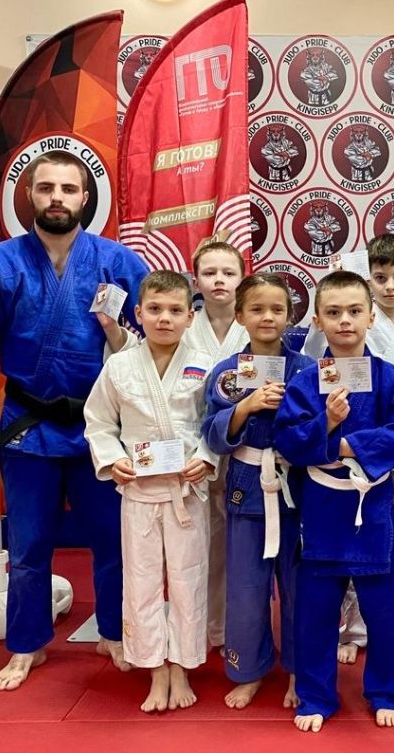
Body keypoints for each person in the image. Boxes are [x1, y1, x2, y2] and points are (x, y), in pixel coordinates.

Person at [0, 150, 148, 690]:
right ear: (29, 195)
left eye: (68, 189)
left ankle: (115, 631)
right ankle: (27, 644)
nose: (57, 198)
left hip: (102, 427)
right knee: (29, 546)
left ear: (85, 198)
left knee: (113, 538)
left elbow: (158, 337)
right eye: (46, 187)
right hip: (28, 425)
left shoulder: (118, 262)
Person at [274, 271, 394, 733]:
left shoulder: (388, 377)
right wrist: (327, 421)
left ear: (371, 317)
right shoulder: (305, 381)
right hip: (322, 509)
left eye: (355, 311)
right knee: (314, 613)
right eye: (333, 313)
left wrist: (343, 445)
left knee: (384, 613)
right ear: (317, 320)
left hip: (371, 508)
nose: (345, 321)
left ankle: (386, 692)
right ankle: (316, 695)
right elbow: (288, 439)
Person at [303, 234, 394, 665]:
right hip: (346, 447)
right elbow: (316, 364)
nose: (389, 286)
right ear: (368, 281)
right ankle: (352, 629)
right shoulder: (351, 319)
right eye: (380, 278)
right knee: (352, 542)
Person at [84, 271, 218, 712]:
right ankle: (155, 669)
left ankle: (181, 667)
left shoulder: (206, 364)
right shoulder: (119, 366)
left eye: (176, 310)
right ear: (138, 314)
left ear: (190, 316)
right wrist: (111, 460)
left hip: (186, 490)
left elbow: (216, 423)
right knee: (140, 582)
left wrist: (208, 458)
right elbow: (99, 422)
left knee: (188, 579)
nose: (165, 318)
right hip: (139, 491)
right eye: (155, 309)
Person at [201, 274, 312, 710]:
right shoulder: (227, 372)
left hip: (297, 486)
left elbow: (319, 425)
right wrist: (246, 406)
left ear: (290, 316)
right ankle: (247, 671)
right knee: (246, 588)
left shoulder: (306, 368)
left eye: (277, 309)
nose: (268, 317)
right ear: (240, 315)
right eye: (258, 309)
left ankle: (300, 671)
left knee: (300, 586)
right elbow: (212, 433)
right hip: (247, 485)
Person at [184, 240, 248, 653]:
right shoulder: (184, 327)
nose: (219, 280)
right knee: (200, 545)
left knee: (242, 549)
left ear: (243, 278)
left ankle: (236, 631)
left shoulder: (254, 325)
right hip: (195, 452)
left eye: (228, 272)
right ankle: (203, 629)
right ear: (196, 281)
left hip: (245, 452)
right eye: (209, 273)